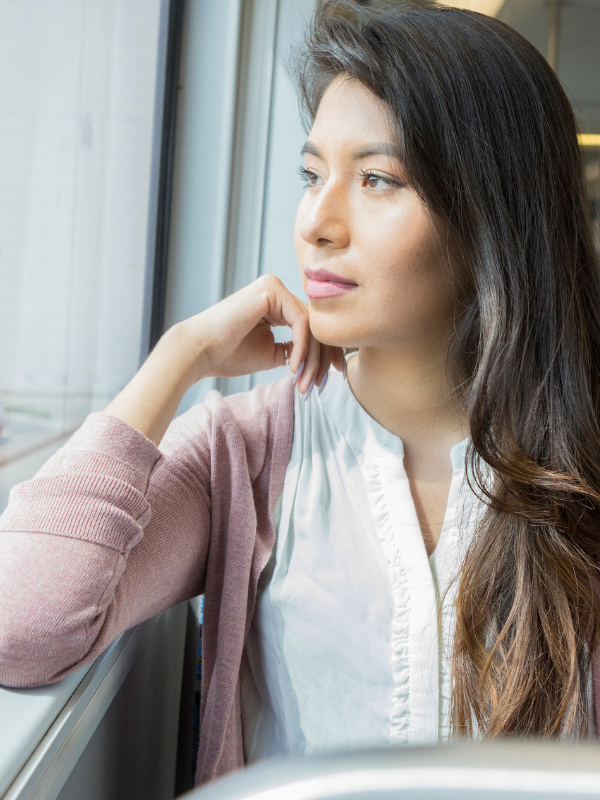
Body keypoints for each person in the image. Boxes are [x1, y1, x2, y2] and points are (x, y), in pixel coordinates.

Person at [2, 0, 600, 789]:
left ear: (491, 215)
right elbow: (24, 627)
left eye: (377, 179)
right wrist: (178, 355)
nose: (317, 221)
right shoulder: (245, 450)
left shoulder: (579, 463)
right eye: (312, 174)